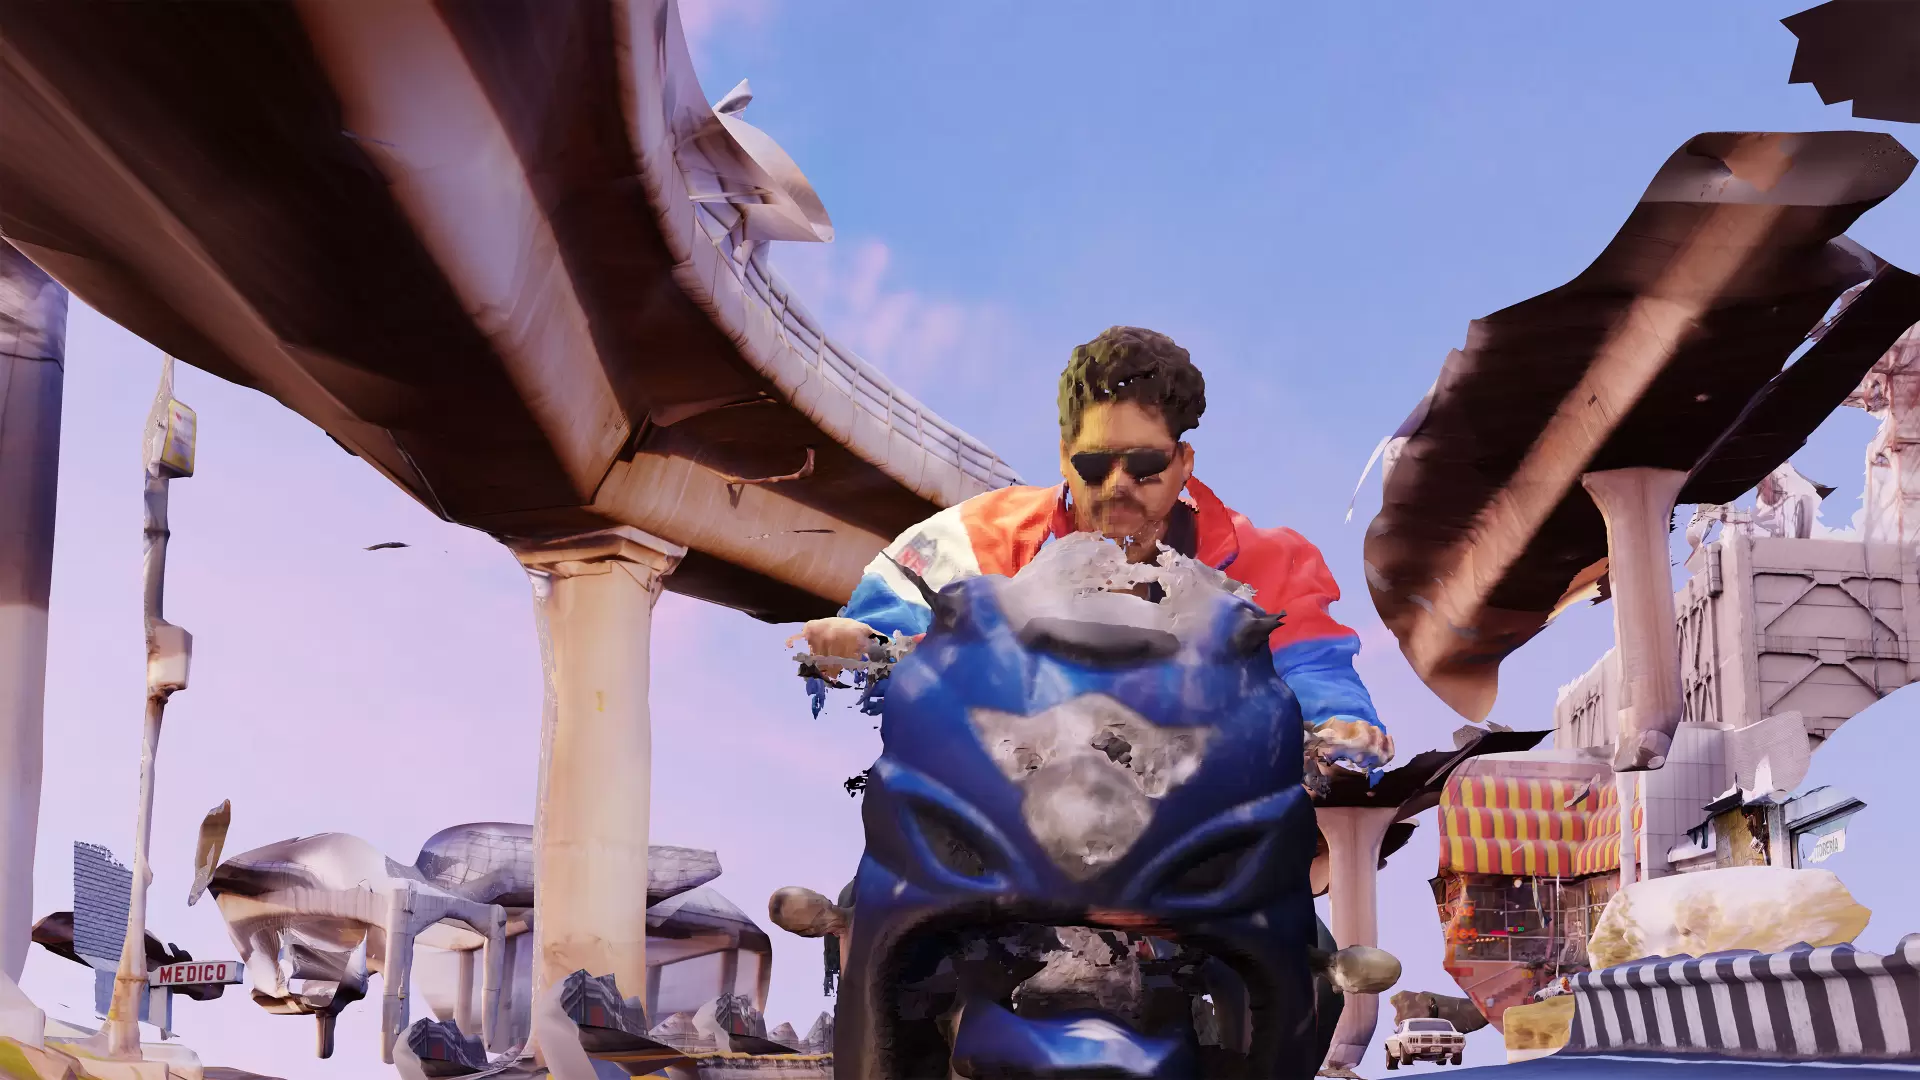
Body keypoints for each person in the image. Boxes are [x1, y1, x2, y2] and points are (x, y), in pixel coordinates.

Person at [796, 325, 1392, 774]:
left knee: (1295, 901)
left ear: (1184, 462)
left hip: (1192, 829)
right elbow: (887, 619)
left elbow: (1314, 671)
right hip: (1003, 819)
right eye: (1094, 465)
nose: (1117, 486)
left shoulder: (1268, 564)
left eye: (1145, 464)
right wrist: (858, 639)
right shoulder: (978, 539)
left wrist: (1340, 727)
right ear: (1064, 457)